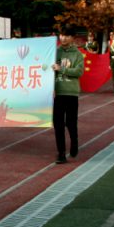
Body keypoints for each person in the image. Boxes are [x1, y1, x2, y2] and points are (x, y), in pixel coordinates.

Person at [51, 25, 85, 164]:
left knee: (71, 123)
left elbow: (79, 72)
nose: (63, 38)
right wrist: (50, 88)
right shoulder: (53, 52)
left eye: (66, 35)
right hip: (56, 94)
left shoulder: (77, 54)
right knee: (58, 124)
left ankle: (74, 142)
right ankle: (61, 153)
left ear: (72, 37)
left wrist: (62, 69)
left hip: (71, 92)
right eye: (61, 35)